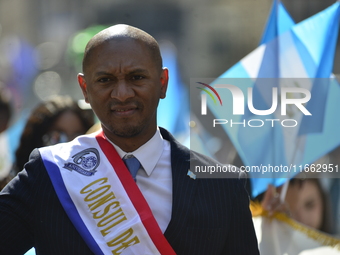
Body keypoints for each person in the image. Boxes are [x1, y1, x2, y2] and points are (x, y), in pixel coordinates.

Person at [0, 24, 259, 254]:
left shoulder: (222, 184)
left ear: (163, 82)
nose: (122, 94)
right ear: (85, 89)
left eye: (137, 77)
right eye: (105, 80)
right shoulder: (49, 173)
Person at [0, 95, 94, 190]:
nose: (68, 146)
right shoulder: (9, 195)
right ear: (35, 140)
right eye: (56, 137)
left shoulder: (97, 194)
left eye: (77, 137)